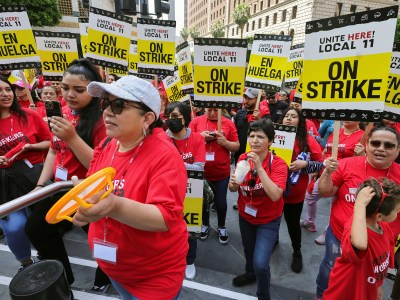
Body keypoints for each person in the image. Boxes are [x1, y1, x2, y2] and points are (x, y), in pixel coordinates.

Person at [71, 75, 188, 299]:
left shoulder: (165, 155)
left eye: (118, 105)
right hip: (115, 269)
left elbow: (165, 217)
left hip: (153, 278)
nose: (106, 112)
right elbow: (94, 184)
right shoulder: (108, 143)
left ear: (147, 118)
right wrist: (85, 205)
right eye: (105, 103)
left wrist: (113, 205)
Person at [25, 59, 107, 286]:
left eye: (79, 90)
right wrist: (41, 186)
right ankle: (61, 279)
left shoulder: (104, 120)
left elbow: (99, 166)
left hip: (89, 191)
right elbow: (53, 150)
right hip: (59, 187)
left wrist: (72, 137)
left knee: (101, 239)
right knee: (36, 229)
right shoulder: (61, 111)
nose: (70, 94)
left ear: (94, 90)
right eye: (65, 87)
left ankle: (105, 276)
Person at [314, 126, 400, 299]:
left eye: (389, 145)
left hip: (379, 245)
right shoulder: (346, 164)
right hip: (340, 237)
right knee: (331, 270)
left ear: (398, 150)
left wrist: (378, 284)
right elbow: (325, 191)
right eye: (376, 143)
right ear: (366, 145)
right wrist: (326, 174)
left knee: (366, 282)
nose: (381, 148)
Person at [229, 118, 288, 300]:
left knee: (261, 263)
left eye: (260, 137)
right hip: (245, 215)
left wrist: (260, 168)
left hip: (268, 220)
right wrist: (233, 184)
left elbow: (275, 195)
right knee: (248, 250)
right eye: (252, 136)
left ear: (270, 141)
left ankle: (263, 294)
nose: (254, 140)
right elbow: (233, 189)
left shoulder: (278, 164)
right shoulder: (242, 158)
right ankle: (250, 273)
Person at [0, 75, 51, 272]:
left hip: (35, 178)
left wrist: (31, 146)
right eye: (0, 91)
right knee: (13, 227)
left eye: (7, 90)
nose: (5, 94)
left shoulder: (30, 115)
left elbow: (50, 143)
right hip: (6, 185)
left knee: (43, 224)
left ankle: (48, 254)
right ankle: (25, 264)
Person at [323, 178, 400, 300]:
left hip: (368, 288)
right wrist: (359, 205)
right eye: (397, 210)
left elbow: (385, 256)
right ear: (379, 216)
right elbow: (360, 244)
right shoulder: (353, 228)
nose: (398, 212)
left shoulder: (385, 227)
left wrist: (378, 285)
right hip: (346, 292)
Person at [301, 121, 364, 244]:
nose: (346, 118)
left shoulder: (363, 136)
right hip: (326, 173)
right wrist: (318, 170)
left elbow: (365, 161)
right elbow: (326, 150)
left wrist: (363, 154)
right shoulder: (336, 131)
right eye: (344, 113)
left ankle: (329, 231)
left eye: (351, 114)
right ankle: (310, 221)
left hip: (344, 178)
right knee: (310, 196)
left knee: (334, 207)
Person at [164, 101, 206, 280]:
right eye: (169, 117)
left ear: (185, 117)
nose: (172, 120)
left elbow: (200, 167)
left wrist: (173, 164)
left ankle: (189, 261)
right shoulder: (161, 138)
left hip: (192, 190)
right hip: (167, 189)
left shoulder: (197, 139)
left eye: (176, 116)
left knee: (190, 228)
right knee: (166, 226)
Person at [281, 107, 322, 273]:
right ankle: (272, 242)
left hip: (294, 192)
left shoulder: (308, 140)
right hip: (272, 189)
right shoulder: (274, 135)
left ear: (301, 121)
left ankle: (297, 251)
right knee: (272, 221)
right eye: (286, 115)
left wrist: (305, 165)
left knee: (292, 224)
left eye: (293, 116)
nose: (288, 118)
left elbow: (321, 164)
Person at [190, 107, 239, 244]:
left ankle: (222, 226)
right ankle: (204, 224)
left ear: (221, 110)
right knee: (203, 201)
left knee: (221, 202)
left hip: (221, 172)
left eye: (215, 110)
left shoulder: (228, 123)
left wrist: (225, 143)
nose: (211, 113)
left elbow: (236, 146)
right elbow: (187, 142)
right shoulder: (196, 121)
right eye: (209, 110)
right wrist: (200, 137)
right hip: (201, 172)